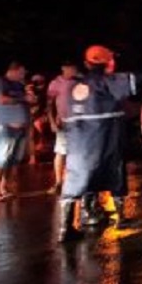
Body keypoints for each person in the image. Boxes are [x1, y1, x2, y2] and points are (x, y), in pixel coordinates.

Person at [58, 45, 135, 242]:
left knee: (76, 181)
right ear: (107, 62)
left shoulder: (74, 87)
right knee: (115, 176)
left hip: (78, 146)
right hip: (105, 141)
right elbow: (134, 84)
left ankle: (64, 228)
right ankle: (121, 219)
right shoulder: (107, 82)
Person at [0, 61, 36, 202]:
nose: (24, 75)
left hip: (20, 128)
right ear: (13, 70)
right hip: (4, 126)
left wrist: (31, 98)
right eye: (22, 72)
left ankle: (4, 188)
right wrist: (22, 98)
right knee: (0, 158)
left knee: (12, 160)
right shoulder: (0, 82)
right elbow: (1, 99)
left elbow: (27, 101)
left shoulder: (20, 85)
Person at [47, 60, 80, 194]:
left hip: (78, 123)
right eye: (71, 68)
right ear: (64, 68)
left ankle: (75, 181)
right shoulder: (56, 83)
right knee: (61, 151)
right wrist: (52, 122)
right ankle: (58, 182)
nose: (74, 71)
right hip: (63, 123)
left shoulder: (79, 81)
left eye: (75, 68)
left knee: (78, 153)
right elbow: (49, 104)